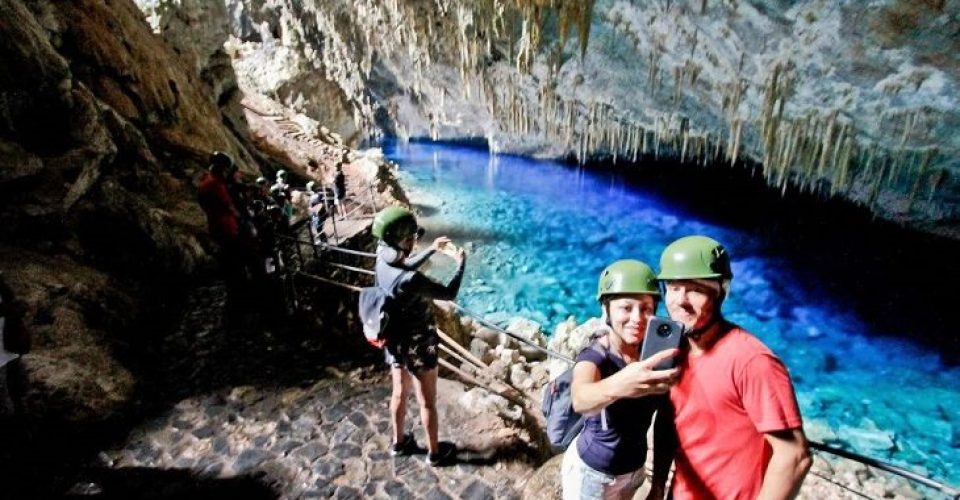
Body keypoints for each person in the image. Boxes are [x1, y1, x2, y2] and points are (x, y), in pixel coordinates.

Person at [658, 235, 811, 500]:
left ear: (720, 293)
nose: (680, 301)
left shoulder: (752, 361)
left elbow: (794, 456)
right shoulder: (676, 348)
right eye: (673, 288)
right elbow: (671, 421)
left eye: (695, 289)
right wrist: (658, 486)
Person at [562, 260, 681, 500]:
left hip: (634, 473)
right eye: (626, 308)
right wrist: (621, 384)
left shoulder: (658, 359)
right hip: (592, 474)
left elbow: (665, 422)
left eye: (646, 308)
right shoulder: (596, 355)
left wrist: (658, 484)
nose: (637, 318)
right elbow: (581, 398)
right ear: (606, 310)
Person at [371, 206, 466, 466]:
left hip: (394, 339)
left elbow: (402, 263)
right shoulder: (410, 280)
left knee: (399, 392)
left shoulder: (382, 260)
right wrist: (461, 264)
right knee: (427, 401)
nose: (414, 241)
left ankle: (398, 442)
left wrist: (432, 248)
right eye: (412, 238)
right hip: (419, 343)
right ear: (403, 241)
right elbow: (449, 292)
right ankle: (435, 452)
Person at [198, 151, 245, 290]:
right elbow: (229, 206)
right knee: (235, 261)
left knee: (228, 261)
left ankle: (234, 288)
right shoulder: (216, 184)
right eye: (226, 170)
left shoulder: (206, 182)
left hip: (215, 225)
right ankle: (239, 292)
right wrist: (239, 216)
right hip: (227, 228)